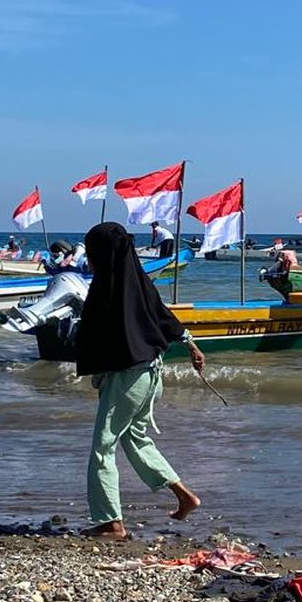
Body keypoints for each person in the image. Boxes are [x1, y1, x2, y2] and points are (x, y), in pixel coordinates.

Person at [77, 222, 205, 538]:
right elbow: (163, 316)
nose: (90, 261)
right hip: (151, 373)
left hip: (127, 378)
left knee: (102, 448)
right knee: (135, 438)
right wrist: (191, 344)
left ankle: (110, 522)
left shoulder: (106, 288)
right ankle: (184, 495)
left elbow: (92, 333)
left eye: (92, 252)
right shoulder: (139, 282)